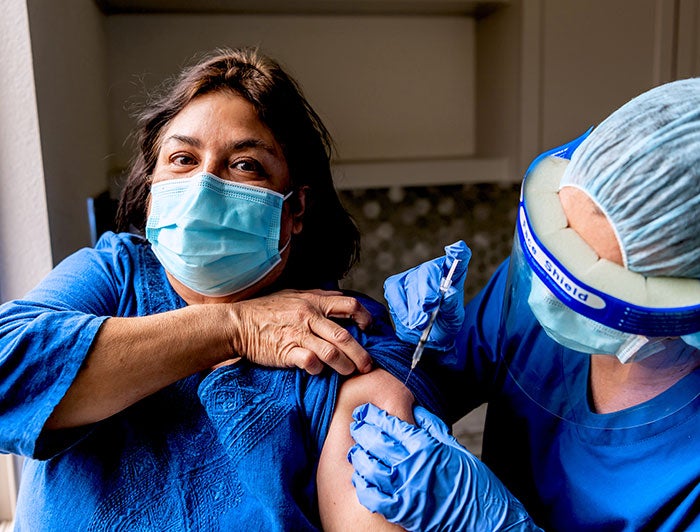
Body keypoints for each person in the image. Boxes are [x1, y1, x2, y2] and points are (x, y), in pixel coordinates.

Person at [0, 47, 446, 530]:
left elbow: (372, 498)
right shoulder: (115, 274)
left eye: (245, 165)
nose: (203, 185)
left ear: (294, 210)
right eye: (182, 158)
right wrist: (233, 327)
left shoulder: (337, 336)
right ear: (151, 191)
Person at [347, 79, 700, 531]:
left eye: (591, 279)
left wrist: (499, 524)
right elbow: (435, 383)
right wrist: (435, 348)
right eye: (560, 243)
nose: (545, 296)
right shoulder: (543, 288)